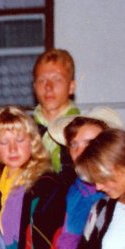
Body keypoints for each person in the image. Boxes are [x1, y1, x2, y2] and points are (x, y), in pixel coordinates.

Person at [0, 105, 66, 249]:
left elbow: (48, 246)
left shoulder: (45, 185)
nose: (13, 149)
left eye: (20, 140)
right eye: (4, 142)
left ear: (32, 142)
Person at [47, 107, 123, 249]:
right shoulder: (72, 193)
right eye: (74, 144)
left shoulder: (118, 192)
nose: (80, 151)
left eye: (89, 143)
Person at [31, 48, 80, 176]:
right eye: (42, 80)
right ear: (34, 87)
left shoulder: (84, 132)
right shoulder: (24, 132)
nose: (48, 87)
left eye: (57, 79)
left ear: (71, 87)